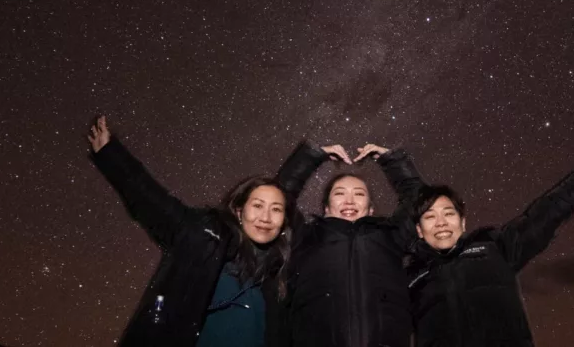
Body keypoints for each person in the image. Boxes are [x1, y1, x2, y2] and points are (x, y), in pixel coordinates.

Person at [87, 116, 328, 347]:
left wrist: (309, 157)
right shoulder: (202, 237)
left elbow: (282, 193)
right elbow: (152, 200)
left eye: (276, 210)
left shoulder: (276, 270)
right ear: (238, 210)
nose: (265, 217)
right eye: (257, 206)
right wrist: (111, 155)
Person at [407, 155, 574, 347]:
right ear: (419, 230)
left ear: (463, 223)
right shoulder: (409, 278)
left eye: (448, 213)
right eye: (430, 217)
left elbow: (541, 218)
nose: (441, 223)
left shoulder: (495, 247)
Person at [281, 143, 425, 347]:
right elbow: (278, 197)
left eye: (359, 194)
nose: (349, 200)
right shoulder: (306, 236)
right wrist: (310, 157)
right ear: (326, 208)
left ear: (371, 209)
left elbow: (419, 200)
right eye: (339, 193)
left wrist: (392, 161)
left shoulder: (390, 236)